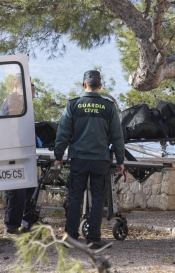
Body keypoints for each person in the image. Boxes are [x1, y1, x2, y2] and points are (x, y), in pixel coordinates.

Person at [54, 70, 125, 250]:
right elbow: (117, 136)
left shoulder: (73, 105)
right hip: (100, 161)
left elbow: (62, 133)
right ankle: (93, 239)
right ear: (100, 86)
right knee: (98, 199)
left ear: (84, 85)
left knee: (75, 198)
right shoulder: (108, 107)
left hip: (78, 159)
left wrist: (58, 156)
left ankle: (70, 238)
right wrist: (120, 161)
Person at [3, 76, 37, 238]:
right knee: (17, 191)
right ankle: (11, 227)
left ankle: (25, 223)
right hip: (14, 152)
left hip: (23, 151)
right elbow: (12, 127)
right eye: (25, 85)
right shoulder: (13, 102)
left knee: (28, 188)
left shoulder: (21, 102)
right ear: (16, 85)